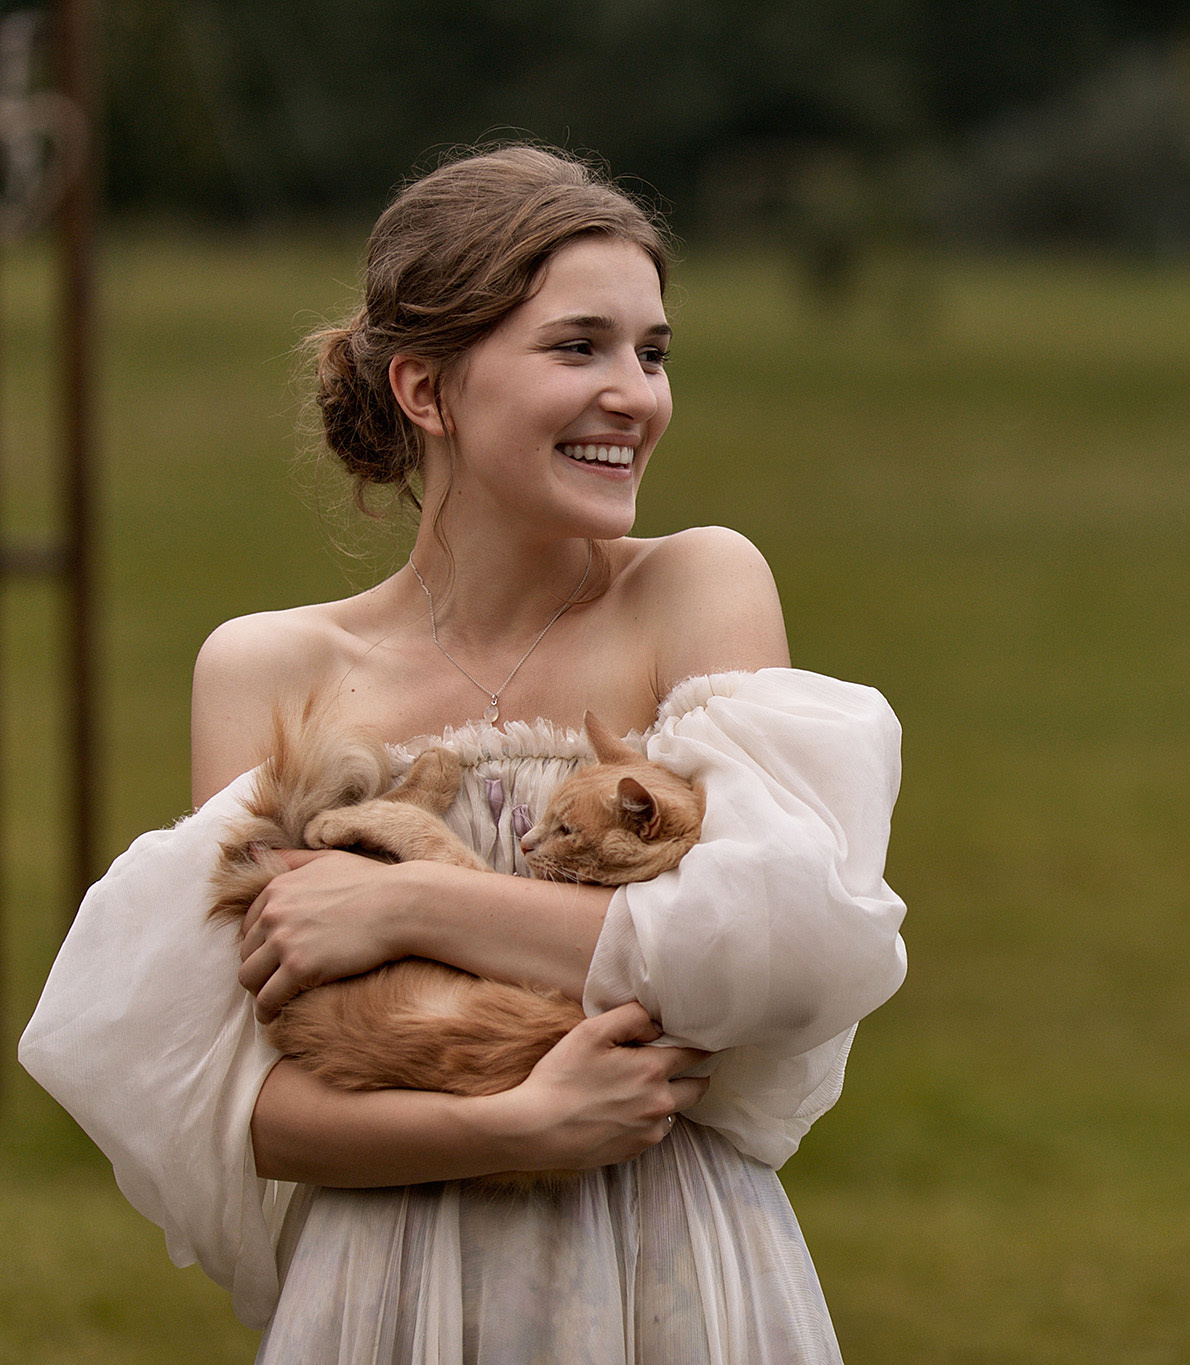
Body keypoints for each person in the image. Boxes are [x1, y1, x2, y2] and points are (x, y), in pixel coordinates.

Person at [18, 145, 907, 1362]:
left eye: (651, 353)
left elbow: (786, 954)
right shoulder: (270, 671)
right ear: (425, 390)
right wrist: (515, 1128)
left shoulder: (694, 589)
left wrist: (405, 904)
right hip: (391, 1284)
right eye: (577, 348)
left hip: (666, 1267)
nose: (634, 396)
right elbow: (244, 1102)